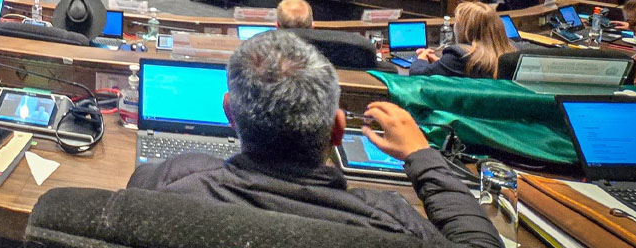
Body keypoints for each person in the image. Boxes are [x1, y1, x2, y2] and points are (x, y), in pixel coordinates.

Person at [127, 31, 502, 247]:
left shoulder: (167, 181)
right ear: (338, 130)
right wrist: (422, 154)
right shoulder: (391, 220)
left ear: (229, 113)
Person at [410, 2, 516, 78]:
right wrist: (440, 62)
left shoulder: (460, 56)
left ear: (466, 30)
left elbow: (418, 74)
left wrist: (421, 58)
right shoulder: (512, 55)